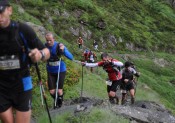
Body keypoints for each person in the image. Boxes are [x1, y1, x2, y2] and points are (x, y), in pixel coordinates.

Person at [0, 1, 50, 123]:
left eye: (1, 12)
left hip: (22, 83)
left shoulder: (22, 30)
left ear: (9, 10)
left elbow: (46, 51)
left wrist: (40, 55)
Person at [45, 32, 73, 108]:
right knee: (52, 91)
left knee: (59, 90)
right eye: (47, 40)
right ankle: (58, 101)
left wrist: (63, 50)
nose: (49, 42)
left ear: (54, 39)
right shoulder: (44, 46)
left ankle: (59, 105)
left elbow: (71, 57)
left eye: (50, 40)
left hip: (60, 70)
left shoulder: (58, 45)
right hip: (50, 71)